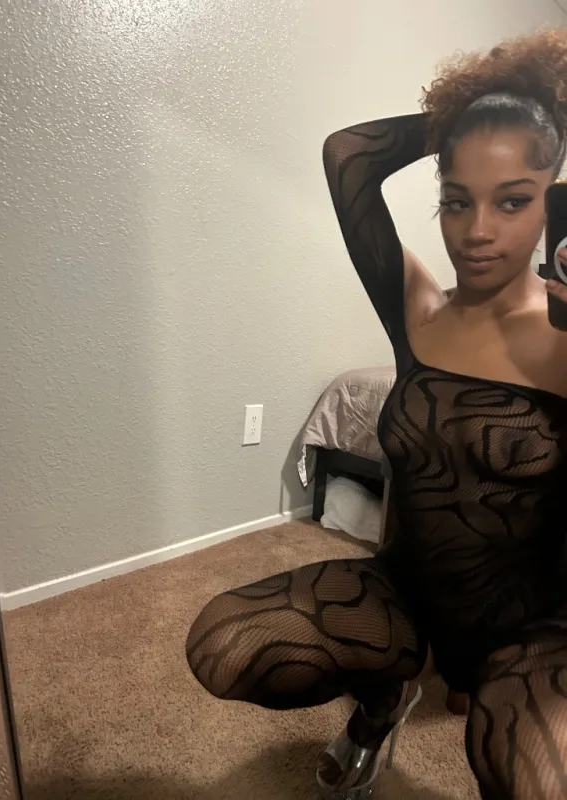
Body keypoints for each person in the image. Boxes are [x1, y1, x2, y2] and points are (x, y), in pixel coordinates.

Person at [186, 28, 567, 800]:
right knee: (223, 645)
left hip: (531, 624)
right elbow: (349, 156)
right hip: (406, 590)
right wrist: (464, 116)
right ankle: (382, 700)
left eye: (512, 200)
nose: (478, 231)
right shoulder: (416, 311)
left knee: (541, 780)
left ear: (551, 196)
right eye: (456, 200)